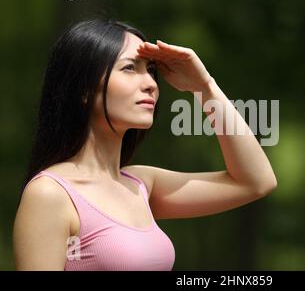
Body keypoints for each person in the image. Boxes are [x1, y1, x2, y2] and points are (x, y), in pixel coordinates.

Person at [13, 18, 277, 271]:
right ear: (84, 89)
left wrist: (205, 87)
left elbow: (256, 182)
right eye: (130, 68)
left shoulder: (141, 185)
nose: (151, 83)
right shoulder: (50, 194)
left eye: (150, 71)